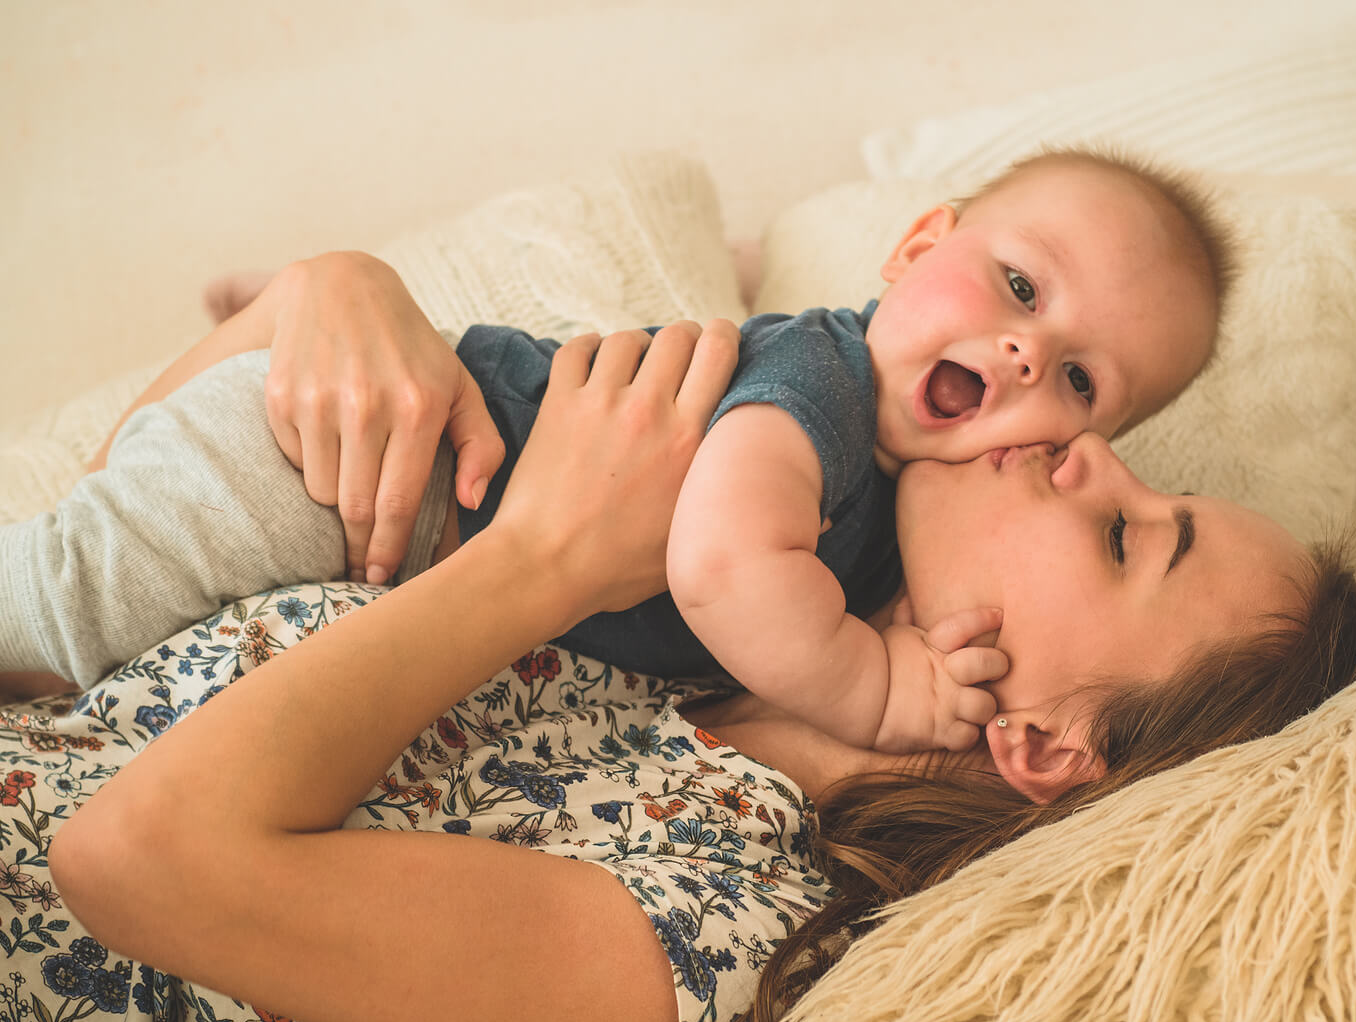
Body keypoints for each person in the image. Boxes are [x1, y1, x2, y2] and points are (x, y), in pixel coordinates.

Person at [28, 322, 1356, 1022]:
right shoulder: (677, 622)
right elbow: (100, 574)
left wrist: (543, 557)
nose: (1088, 454)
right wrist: (327, 304)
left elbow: (133, 856)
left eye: (1126, 535)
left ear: (1041, 739)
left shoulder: (715, 927)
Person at [0, 147, 1236, 753]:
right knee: (55, 619)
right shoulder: (820, 386)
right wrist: (878, 685)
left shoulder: (889, 514)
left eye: (1078, 377)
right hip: (341, 465)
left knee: (77, 678)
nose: (1025, 354)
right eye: (1018, 285)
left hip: (376, 531)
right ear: (915, 249)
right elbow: (718, 563)